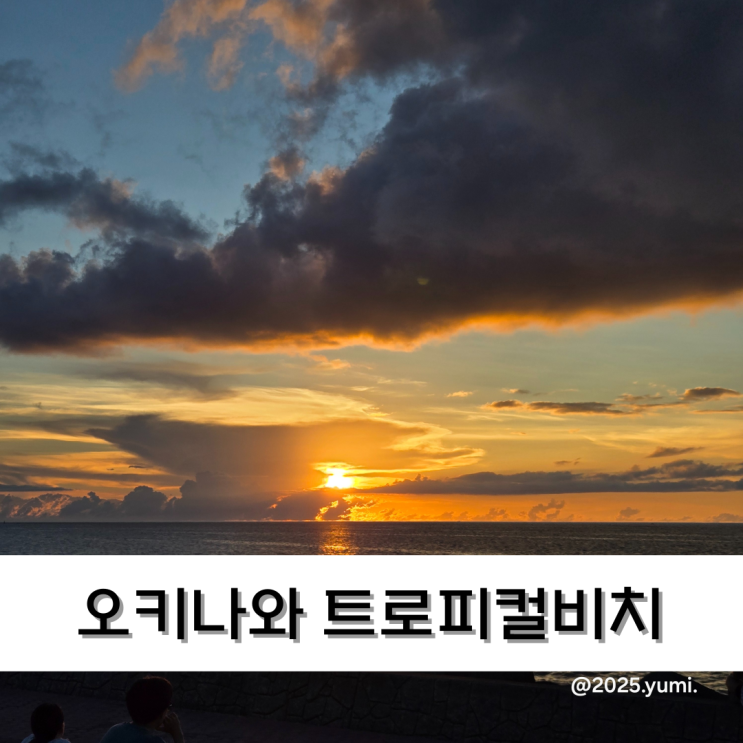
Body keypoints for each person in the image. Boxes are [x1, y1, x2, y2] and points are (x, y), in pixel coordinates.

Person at [99, 677, 184, 743]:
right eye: (168, 706)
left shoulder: (115, 731)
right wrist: (178, 735)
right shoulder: (153, 742)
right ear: (161, 713)